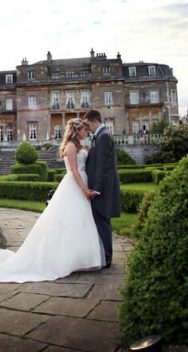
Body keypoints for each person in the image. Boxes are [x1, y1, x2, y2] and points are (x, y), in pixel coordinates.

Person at [0, 118, 105, 282]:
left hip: (80, 182)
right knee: (69, 221)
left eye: (87, 129)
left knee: (80, 221)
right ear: (76, 131)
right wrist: (85, 190)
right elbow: (73, 171)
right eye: (84, 129)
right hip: (75, 185)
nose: (87, 132)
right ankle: (65, 260)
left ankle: (80, 258)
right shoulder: (71, 146)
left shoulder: (80, 145)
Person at [83, 110, 121, 268]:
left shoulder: (104, 136)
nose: (88, 129)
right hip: (100, 188)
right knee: (101, 222)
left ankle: (107, 257)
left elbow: (104, 167)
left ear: (94, 121)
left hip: (102, 190)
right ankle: (104, 255)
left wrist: (97, 189)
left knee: (103, 222)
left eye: (87, 125)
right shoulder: (101, 136)